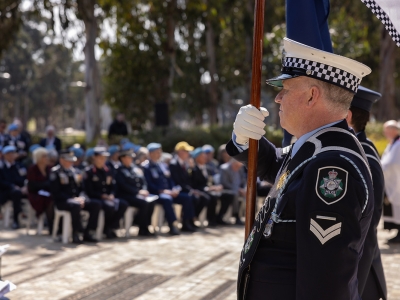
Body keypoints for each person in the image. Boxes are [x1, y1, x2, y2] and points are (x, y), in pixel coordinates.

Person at [227, 38, 374, 299]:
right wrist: (244, 138)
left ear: (311, 95)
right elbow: (275, 166)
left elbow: (324, 282)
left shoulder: (332, 165)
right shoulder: (316, 147)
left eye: (285, 89)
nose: (278, 98)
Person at [345, 87, 387, 300]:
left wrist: (355, 286)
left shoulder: (364, 154)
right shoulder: (355, 149)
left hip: (360, 273)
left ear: (347, 116)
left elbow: (369, 226)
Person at [142, 143, 196, 234]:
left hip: (168, 192)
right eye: (157, 152)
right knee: (167, 199)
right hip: (156, 193)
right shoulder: (146, 167)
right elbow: (148, 184)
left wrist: (174, 189)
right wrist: (163, 191)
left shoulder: (162, 165)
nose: (159, 154)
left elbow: (170, 179)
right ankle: (172, 225)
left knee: (187, 197)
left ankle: (186, 222)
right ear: (151, 154)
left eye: (160, 152)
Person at [50, 150, 100, 244]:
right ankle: (76, 233)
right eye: (68, 160)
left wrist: (82, 198)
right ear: (61, 160)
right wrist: (73, 199)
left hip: (77, 200)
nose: (70, 162)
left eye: (71, 160)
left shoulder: (76, 171)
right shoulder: (55, 172)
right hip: (63, 201)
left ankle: (88, 232)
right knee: (76, 205)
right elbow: (56, 192)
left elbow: (82, 189)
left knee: (96, 204)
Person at [84, 147, 128, 239]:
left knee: (123, 204)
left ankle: (111, 227)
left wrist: (112, 194)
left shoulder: (108, 171)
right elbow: (88, 190)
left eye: (104, 158)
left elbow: (113, 186)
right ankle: (93, 230)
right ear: (94, 158)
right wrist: (101, 196)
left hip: (108, 197)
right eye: (100, 157)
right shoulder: (89, 172)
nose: (102, 160)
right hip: (96, 198)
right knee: (108, 206)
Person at [115, 148, 155, 236]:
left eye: (131, 158)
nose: (130, 159)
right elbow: (123, 185)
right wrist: (138, 192)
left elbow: (143, 181)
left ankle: (146, 226)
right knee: (143, 203)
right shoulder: (119, 170)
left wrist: (144, 190)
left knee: (151, 202)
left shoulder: (135, 168)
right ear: (122, 158)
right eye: (128, 157)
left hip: (138, 194)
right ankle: (142, 227)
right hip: (126, 195)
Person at [169, 142, 207, 221]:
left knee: (201, 198)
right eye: (186, 151)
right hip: (178, 191)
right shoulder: (174, 164)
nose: (188, 154)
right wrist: (191, 190)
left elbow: (191, 180)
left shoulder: (185, 164)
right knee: (189, 198)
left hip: (185, 189)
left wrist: (193, 168)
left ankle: (191, 220)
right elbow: (178, 181)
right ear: (180, 152)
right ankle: (186, 222)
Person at [189, 147, 223, 227]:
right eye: (202, 156)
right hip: (198, 190)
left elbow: (209, 181)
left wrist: (215, 187)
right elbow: (195, 184)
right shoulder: (193, 169)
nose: (205, 158)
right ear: (197, 158)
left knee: (216, 196)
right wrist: (208, 189)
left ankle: (212, 219)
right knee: (208, 197)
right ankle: (194, 217)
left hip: (207, 189)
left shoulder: (207, 168)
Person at [27, 147, 54, 235]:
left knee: (53, 198)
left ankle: (56, 225)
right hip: (35, 194)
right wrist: (45, 184)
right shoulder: (32, 168)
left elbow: (52, 182)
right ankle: (51, 226)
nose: (47, 158)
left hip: (48, 193)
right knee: (48, 200)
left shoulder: (49, 168)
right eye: (44, 156)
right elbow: (32, 186)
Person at [381, 120, 400, 242]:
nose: (385, 133)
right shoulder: (393, 143)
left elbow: (394, 163)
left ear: (394, 131)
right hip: (392, 179)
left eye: (387, 130)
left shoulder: (398, 144)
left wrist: (382, 168)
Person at [0, 145, 27, 229]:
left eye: (13, 153)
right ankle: (16, 220)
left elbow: (25, 178)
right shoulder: (2, 167)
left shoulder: (20, 166)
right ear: (4, 155)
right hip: (6, 192)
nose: (11, 155)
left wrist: (25, 187)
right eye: (9, 154)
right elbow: (1, 182)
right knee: (16, 193)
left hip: (21, 190)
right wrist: (13, 186)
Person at [219, 159, 246, 225]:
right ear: (233, 164)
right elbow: (224, 183)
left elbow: (244, 181)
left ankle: (251, 214)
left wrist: (245, 189)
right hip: (228, 189)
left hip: (240, 189)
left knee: (251, 193)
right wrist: (238, 189)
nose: (239, 167)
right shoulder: (224, 168)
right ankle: (236, 216)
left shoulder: (240, 168)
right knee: (235, 194)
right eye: (237, 166)